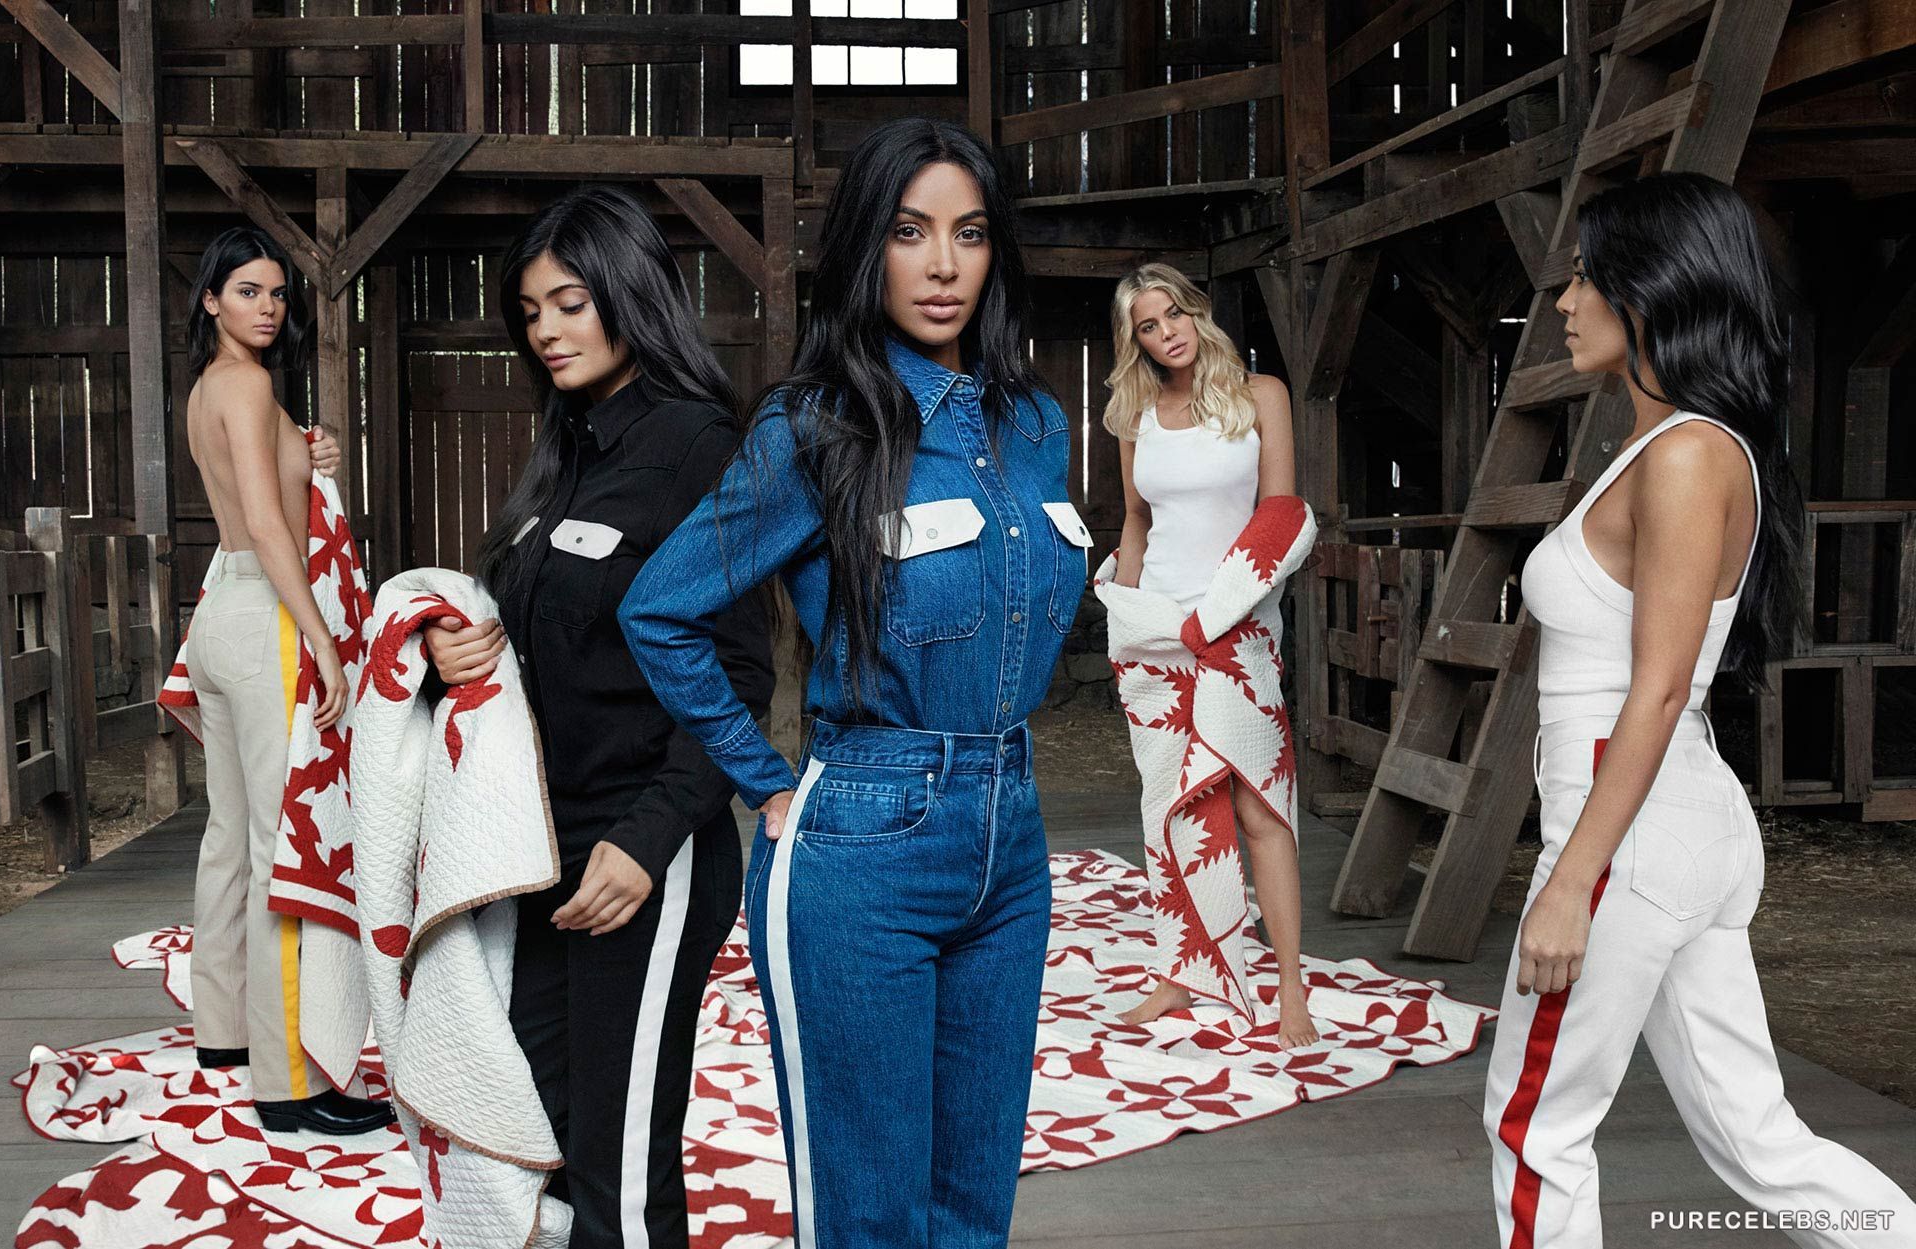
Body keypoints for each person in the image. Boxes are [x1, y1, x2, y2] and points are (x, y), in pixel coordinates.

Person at [619, 118, 1086, 1248]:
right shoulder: (817, 424)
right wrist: (764, 778)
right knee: (871, 1221)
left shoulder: (1035, 425)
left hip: (1011, 839)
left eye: (969, 234)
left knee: (972, 1214)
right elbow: (660, 608)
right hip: (861, 845)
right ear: (868, 248)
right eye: (910, 232)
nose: (942, 265)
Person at [1482, 172, 1916, 1248]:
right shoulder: (1673, 442)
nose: (1565, 300)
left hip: (1625, 823)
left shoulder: (1685, 454)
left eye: (1586, 277)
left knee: (1536, 1130)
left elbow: (1663, 683)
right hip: (1672, 815)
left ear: (1652, 289)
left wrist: (1569, 884)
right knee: (1757, 1140)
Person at [419, 185, 775, 1249]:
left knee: (620, 1163)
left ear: (630, 293)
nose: (547, 330)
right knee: (538, 1128)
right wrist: (449, 656)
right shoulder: (564, 451)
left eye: (570, 303)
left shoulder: (699, 448)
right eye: (531, 311)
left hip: (642, 853)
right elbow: (527, 633)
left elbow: (740, 672)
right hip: (539, 852)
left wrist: (648, 838)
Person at [179, 226, 391, 1135]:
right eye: (247, 291)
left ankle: (224, 1030)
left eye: (276, 293)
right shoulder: (249, 385)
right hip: (267, 610)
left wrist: (312, 447)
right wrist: (325, 643)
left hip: (218, 613)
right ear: (211, 299)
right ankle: (290, 1078)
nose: (267, 307)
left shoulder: (210, 388)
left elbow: (265, 485)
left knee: (230, 832)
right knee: (284, 847)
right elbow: (271, 524)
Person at [1095, 263, 1317, 1043]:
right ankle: (1180, 974)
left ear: (1197, 311)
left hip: (1236, 627)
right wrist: (1125, 618)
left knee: (1260, 805)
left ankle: (1290, 986)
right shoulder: (1134, 414)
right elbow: (1136, 520)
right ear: (1135, 341)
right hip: (1158, 630)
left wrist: (1226, 608)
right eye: (1148, 326)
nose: (1168, 333)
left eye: (1174, 314)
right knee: (1171, 805)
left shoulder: (1262, 396)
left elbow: (1280, 513)